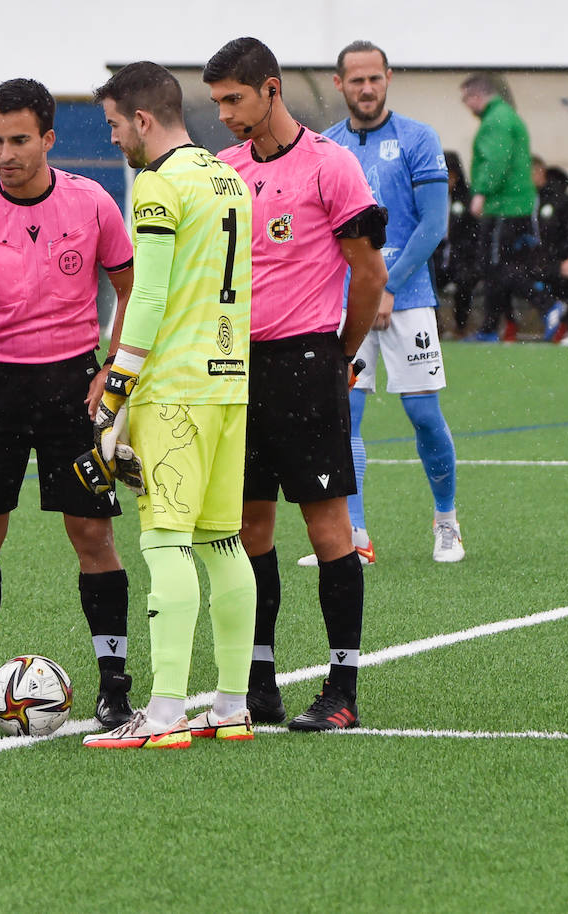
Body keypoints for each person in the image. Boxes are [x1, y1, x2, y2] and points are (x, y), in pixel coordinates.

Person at [0, 77, 138, 731]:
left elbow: (131, 289)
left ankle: (114, 686)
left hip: (71, 387)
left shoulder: (92, 202)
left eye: (19, 140)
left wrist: (112, 367)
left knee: (93, 534)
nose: (5, 153)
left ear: (48, 138)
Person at [206, 37, 388, 731]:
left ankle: (342, 689)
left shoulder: (331, 166)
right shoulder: (222, 172)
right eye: (218, 100)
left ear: (271, 89)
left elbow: (368, 275)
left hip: (308, 363)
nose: (224, 114)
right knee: (250, 527)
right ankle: (260, 681)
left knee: (328, 526)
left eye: (235, 99)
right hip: (235, 370)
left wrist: (338, 352)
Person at [81, 61, 257, 749]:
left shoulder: (158, 184)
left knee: (166, 545)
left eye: (115, 124)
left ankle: (162, 716)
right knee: (222, 542)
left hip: (176, 389)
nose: (114, 138)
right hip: (227, 382)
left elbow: (148, 296)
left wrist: (119, 383)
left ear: (143, 120)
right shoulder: (228, 177)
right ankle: (233, 706)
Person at [298, 40, 461, 568]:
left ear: (388, 78)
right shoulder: (326, 147)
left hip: (407, 297)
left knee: (423, 414)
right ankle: (356, 536)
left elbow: (434, 224)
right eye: (357, 80)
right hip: (346, 303)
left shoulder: (418, 138)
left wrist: (388, 284)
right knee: (345, 415)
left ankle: (446, 522)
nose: (367, 88)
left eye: (375, 78)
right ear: (339, 84)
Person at [459, 73, 561, 343]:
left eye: (466, 99)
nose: (466, 106)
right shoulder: (506, 117)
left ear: (478, 95)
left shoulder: (496, 121)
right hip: (513, 203)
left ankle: (546, 303)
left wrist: (481, 191)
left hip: (504, 205)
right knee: (497, 267)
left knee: (494, 266)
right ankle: (491, 328)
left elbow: (495, 161)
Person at [530, 156, 568, 345]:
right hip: (533, 261)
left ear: (541, 173)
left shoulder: (561, 200)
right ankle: (508, 326)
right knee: (506, 273)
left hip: (558, 258)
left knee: (566, 274)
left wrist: (556, 258)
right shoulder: (524, 200)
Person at [435, 151, 480, 339]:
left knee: (465, 281)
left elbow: (473, 234)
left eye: (451, 175)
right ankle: (435, 326)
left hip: (461, 258)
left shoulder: (466, 198)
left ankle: (460, 326)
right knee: (426, 282)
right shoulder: (431, 197)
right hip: (436, 256)